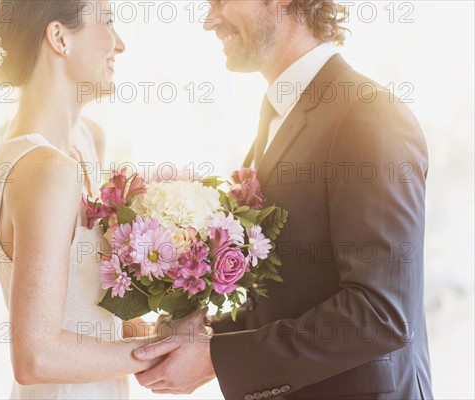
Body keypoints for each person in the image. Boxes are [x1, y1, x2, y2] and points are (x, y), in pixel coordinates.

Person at [133, 1, 434, 399]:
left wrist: (217, 357)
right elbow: (292, 292)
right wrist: (204, 331)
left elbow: (380, 314)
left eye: (220, 0)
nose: (209, 20)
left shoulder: (367, 114)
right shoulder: (276, 116)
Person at [0, 1, 158, 398]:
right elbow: (36, 357)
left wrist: (160, 327)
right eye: (109, 23)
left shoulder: (87, 139)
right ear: (59, 37)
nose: (121, 44)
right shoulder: (44, 169)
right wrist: (161, 352)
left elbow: (86, 308)